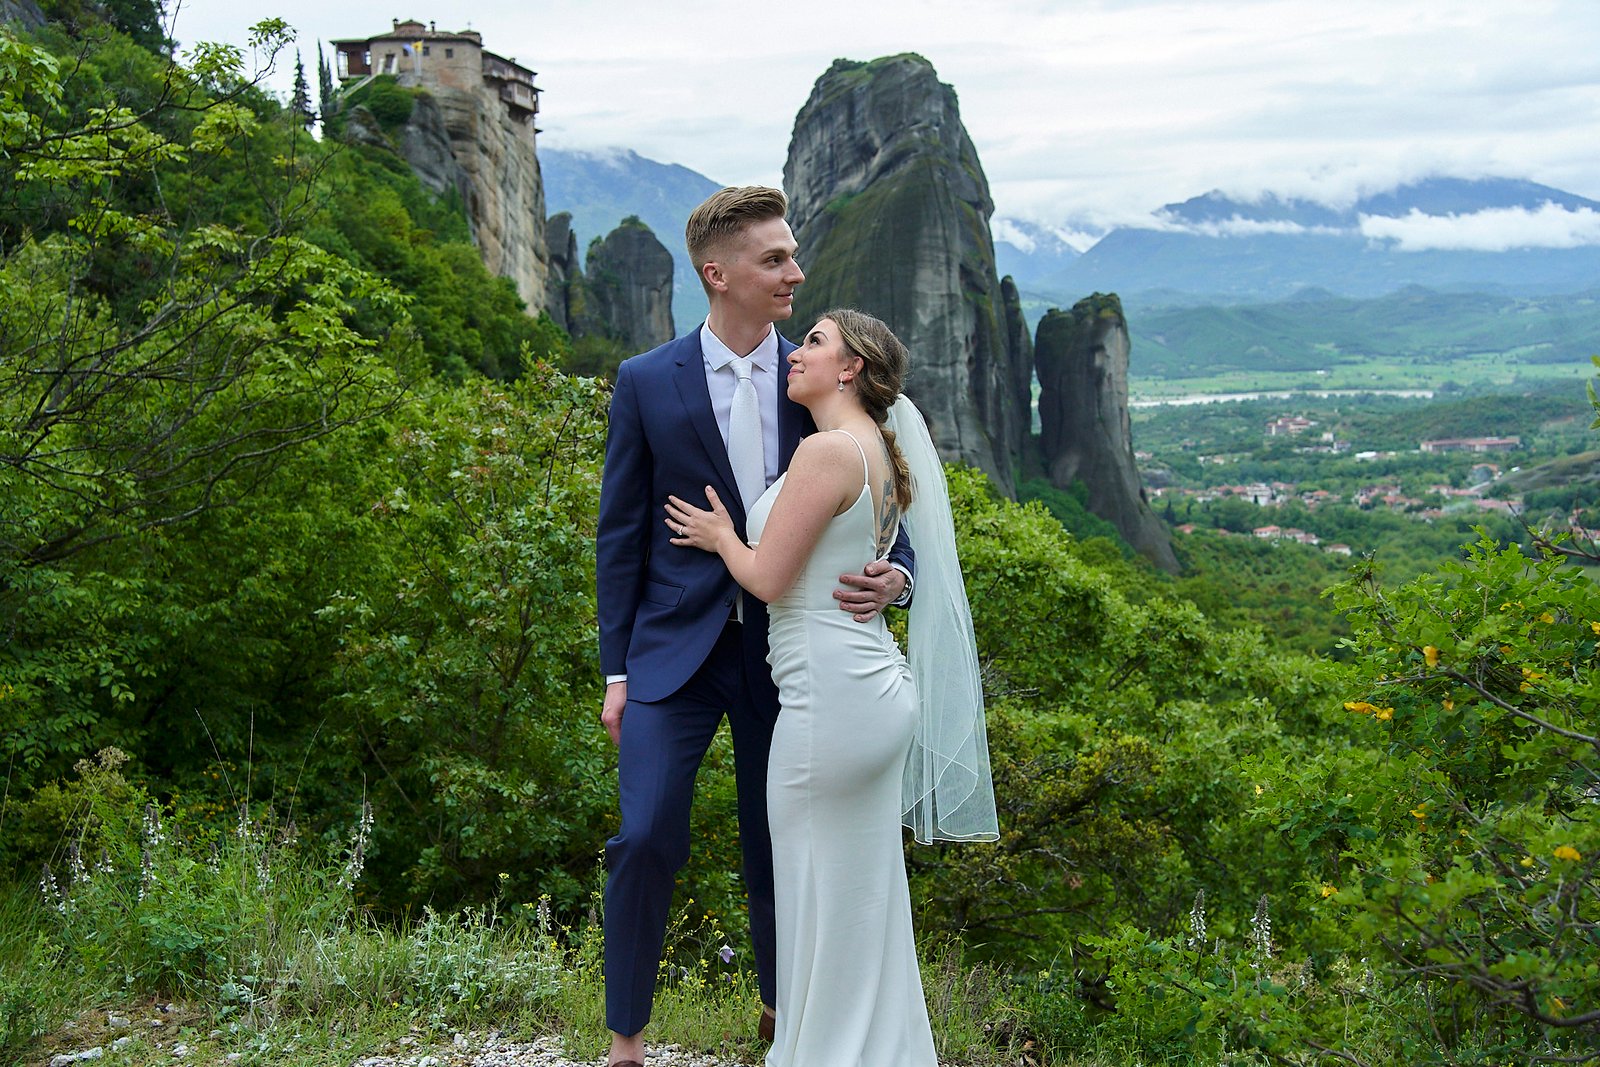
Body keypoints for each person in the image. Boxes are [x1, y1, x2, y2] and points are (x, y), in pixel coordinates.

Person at [595, 188, 916, 1067]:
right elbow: (620, 534)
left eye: (792, 255)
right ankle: (626, 1038)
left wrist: (901, 573)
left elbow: (886, 495)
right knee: (646, 830)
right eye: (774, 259)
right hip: (671, 654)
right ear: (718, 272)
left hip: (788, 657)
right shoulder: (645, 381)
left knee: (778, 841)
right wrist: (615, 671)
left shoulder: (816, 375)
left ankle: (787, 1018)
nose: (795, 274)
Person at [666, 309, 998, 1066]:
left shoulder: (825, 453)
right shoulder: (876, 448)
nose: (797, 352)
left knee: (818, 892)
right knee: (863, 898)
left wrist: (723, 539)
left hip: (830, 699)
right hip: (870, 686)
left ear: (850, 367)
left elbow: (769, 578)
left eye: (814, 341)